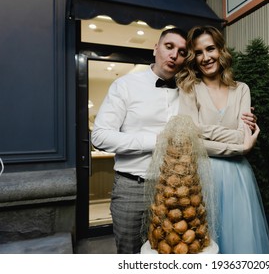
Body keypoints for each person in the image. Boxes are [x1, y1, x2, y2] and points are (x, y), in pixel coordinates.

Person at [91, 27, 257, 254]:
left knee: (180, 256)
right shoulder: (125, 85)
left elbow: (204, 128)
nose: (174, 55)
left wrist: (242, 126)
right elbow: (100, 136)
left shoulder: (188, 87)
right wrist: (158, 140)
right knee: (131, 255)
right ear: (155, 48)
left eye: (181, 51)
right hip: (134, 186)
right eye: (169, 47)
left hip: (183, 191)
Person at [177, 25, 269, 254]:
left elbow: (243, 135)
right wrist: (238, 145)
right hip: (201, 178)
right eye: (198, 52)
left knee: (240, 244)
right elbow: (191, 140)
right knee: (203, 244)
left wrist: (202, 129)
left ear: (221, 49)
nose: (206, 57)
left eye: (210, 49)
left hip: (239, 180)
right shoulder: (189, 88)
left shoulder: (241, 89)